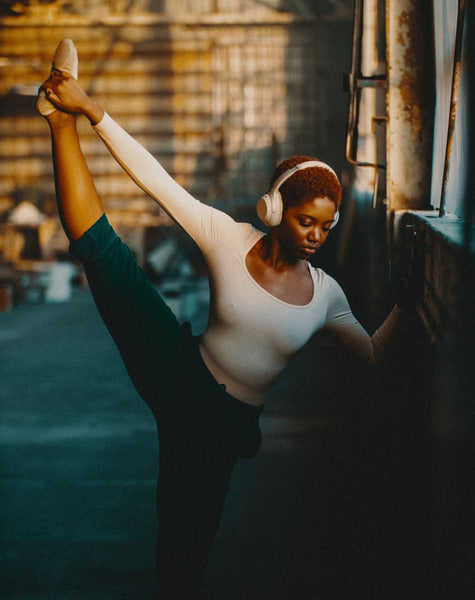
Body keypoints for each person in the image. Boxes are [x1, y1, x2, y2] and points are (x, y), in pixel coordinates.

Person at [36, 40, 411, 599]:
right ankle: (59, 123)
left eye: (326, 227)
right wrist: (91, 110)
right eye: (306, 221)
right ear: (276, 210)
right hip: (179, 365)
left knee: (185, 547)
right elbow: (155, 179)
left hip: (216, 427)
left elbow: (374, 353)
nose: (315, 236)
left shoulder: (327, 296)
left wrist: (411, 299)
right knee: (104, 256)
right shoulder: (228, 238)